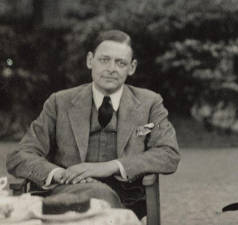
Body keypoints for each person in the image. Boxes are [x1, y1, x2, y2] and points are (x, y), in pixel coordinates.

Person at [6, 29, 180, 218]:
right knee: (96, 198)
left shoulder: (149, 103)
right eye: (104, 60)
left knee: (102, 196)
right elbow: (20, 155)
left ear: (132, 67)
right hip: (67, 193)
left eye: (120, 63)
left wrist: (112, 166)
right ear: (90, 60)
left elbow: (168, 153)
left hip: (125, 200)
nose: (112, 68)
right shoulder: (59, 102)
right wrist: (57, 174)